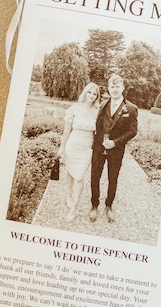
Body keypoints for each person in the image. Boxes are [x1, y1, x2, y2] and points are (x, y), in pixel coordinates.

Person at [89, 74, 138, 223]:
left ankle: (109, 205)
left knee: (113, 178)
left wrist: (115, 143)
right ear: (108, 88)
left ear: (123, 88)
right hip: (99, 148)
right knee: (94, 176)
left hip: (116, 150)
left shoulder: (131, 108)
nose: (115, 89)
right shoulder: (102, 104)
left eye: (117, 86)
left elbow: (132, 131)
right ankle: (94, 204)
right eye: (112, 87)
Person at [57, 82, 101, 222]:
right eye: (89, 92)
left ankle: (74, 207)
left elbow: (99, 133)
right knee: (70, 172)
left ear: (97, 97)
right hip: (72, 145)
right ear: (85, 93)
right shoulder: (74, 109)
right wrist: (62, 147)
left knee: (79, 176)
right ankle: (69, 195)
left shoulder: (98, 111)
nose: (91, 96)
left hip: (87, 148)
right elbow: (67, 130)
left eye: (94, 94)